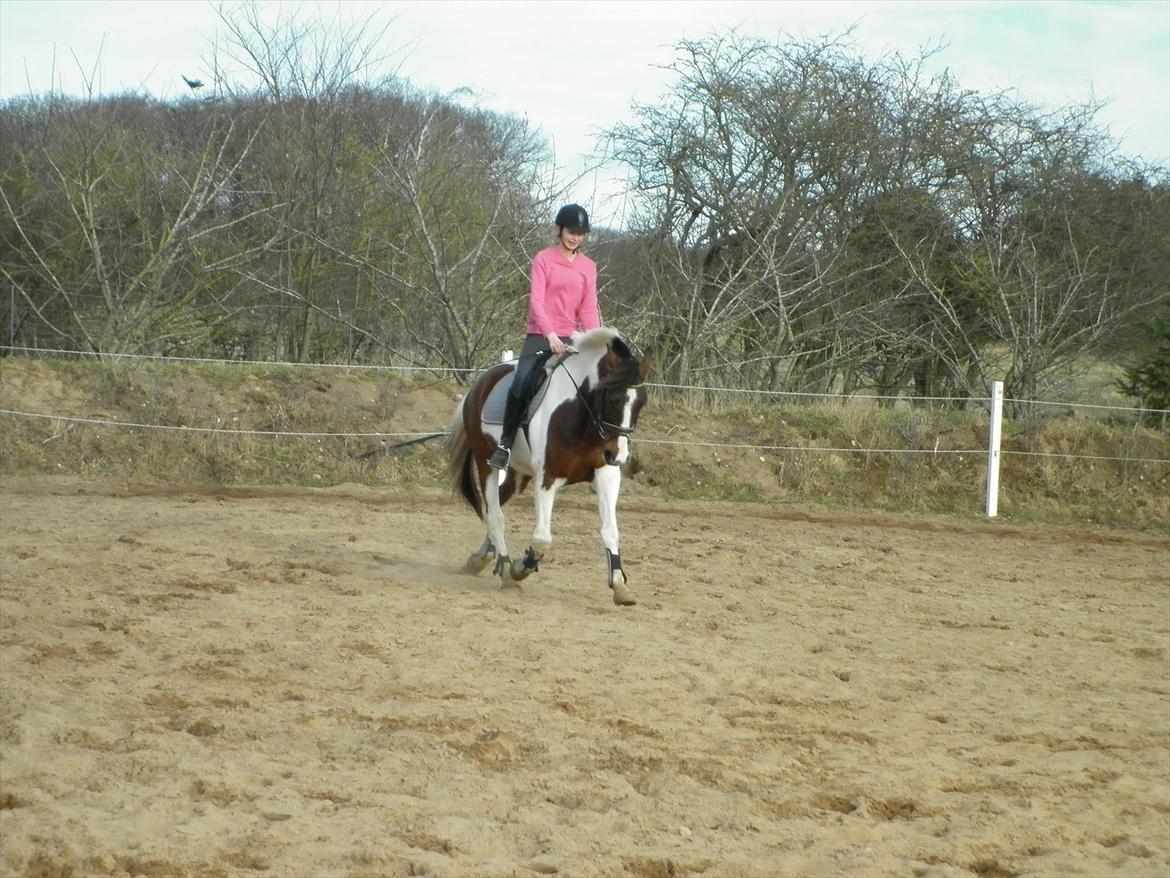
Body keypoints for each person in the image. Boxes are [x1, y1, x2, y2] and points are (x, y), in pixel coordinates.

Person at [488, 203, 601, 470]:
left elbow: (587, 306)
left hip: (573, 338)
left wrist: (596, 340)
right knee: (522, 382)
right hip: (541, 335)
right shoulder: (543, 259)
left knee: (599, 383)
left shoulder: (588, 267)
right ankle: (505, 445)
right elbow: (537, 302)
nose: (576, 237)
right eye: (572, 231)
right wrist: (550, 335)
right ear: (559, 230)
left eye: (581, 233)